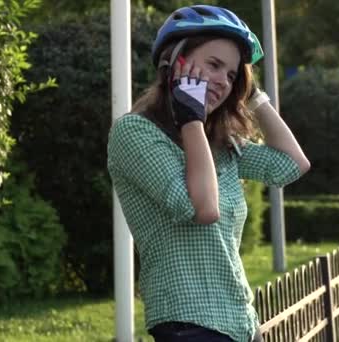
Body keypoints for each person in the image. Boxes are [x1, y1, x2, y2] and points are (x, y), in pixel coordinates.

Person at [107, 5, 310, 342]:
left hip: (240, 321)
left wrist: (254, 95)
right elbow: (203, 209)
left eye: (231, 75)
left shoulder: (220, 144)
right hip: (188, 323)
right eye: (214, 65)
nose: (222, 81)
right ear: (174, 63)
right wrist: (191, 120)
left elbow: (291, 165)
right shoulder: (134, 133)